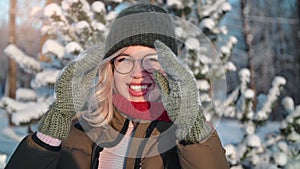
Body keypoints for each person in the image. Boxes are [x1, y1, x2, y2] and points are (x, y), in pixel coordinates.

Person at [5, 3, 229, 169]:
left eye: (151, 58)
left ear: (170, 67)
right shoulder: (74, 131)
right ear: (109, 68)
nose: (138, 73)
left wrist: (191, 129)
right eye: (124, 59)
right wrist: (55, 125)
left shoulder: (186, 139)